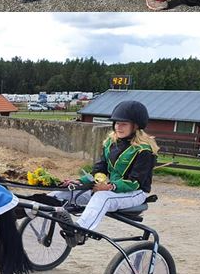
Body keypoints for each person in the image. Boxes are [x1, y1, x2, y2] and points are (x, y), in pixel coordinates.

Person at [49, 100, 158, 248]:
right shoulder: (110, 143)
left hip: (135, 193)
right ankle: (32, 209)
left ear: (136, 126)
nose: (118, 127)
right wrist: (79, 182)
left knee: (102, 197)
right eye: (117, 123)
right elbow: (99, 170)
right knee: (63, 193)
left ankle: (79, 231)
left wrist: (110, 187)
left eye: (124, 124)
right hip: (110, 190)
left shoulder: (144, 151)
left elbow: (135, 182)